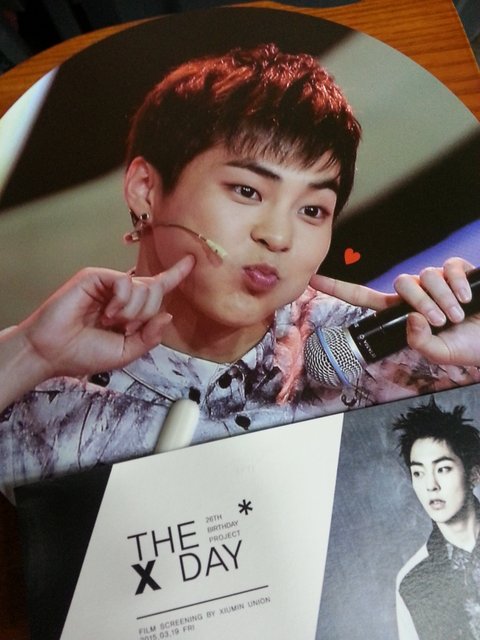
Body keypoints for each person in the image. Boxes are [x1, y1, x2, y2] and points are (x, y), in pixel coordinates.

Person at [1, 44, 479, 503]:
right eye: (247, 191)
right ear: (146, 189)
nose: (278, 236)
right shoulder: (40, 375)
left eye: (312, 210)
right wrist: (31, 353)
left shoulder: (385, 353)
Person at [394, 398, 480, 640]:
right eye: (418, 473)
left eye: (443, 469)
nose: (430, 485)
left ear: (474, 474)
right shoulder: (411, 581)